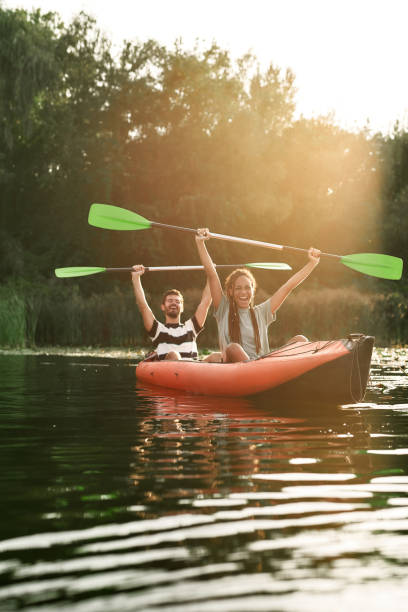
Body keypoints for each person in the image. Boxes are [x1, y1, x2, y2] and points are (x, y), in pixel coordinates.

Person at [195, 229, 321, 363]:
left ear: (253, 290)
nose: (244, 292)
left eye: (247, 288)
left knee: (301, 340)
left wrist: (312, 263)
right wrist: (200, 243)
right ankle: (254, 371)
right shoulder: (223, 309)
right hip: (236, 368)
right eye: (238, 288)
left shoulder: (262, 312)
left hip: (264, 366)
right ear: (230, 291)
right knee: (233, 348)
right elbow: (212, 274)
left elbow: (288, 287)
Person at [131, 264, 214, 361]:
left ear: (182, 308)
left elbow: (205, 302)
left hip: (193, 371)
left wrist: (211, 273)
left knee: (216, 356)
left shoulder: (191, 327)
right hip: (170, 370)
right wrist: (136, 278)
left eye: (177, 302)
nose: (174, 303)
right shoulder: (158, 330)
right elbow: (143, 306)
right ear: (163, 307)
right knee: (173, 355)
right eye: (170, 301)